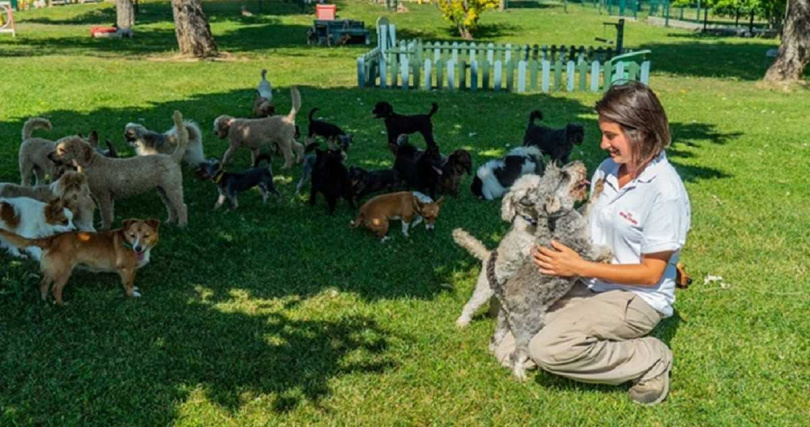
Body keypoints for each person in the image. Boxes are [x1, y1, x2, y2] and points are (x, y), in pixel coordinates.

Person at [493, 81, 691, 406]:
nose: (603, 144)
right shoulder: (608, 170)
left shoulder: (665, 192)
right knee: (510, 341)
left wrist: (577, 266)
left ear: (640, 131)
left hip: (635, 298)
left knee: (547, 350)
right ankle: (572, 341)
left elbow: (651, 274)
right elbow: (586, 226)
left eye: (611, 136)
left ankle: (650, 358)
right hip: (589, 282)